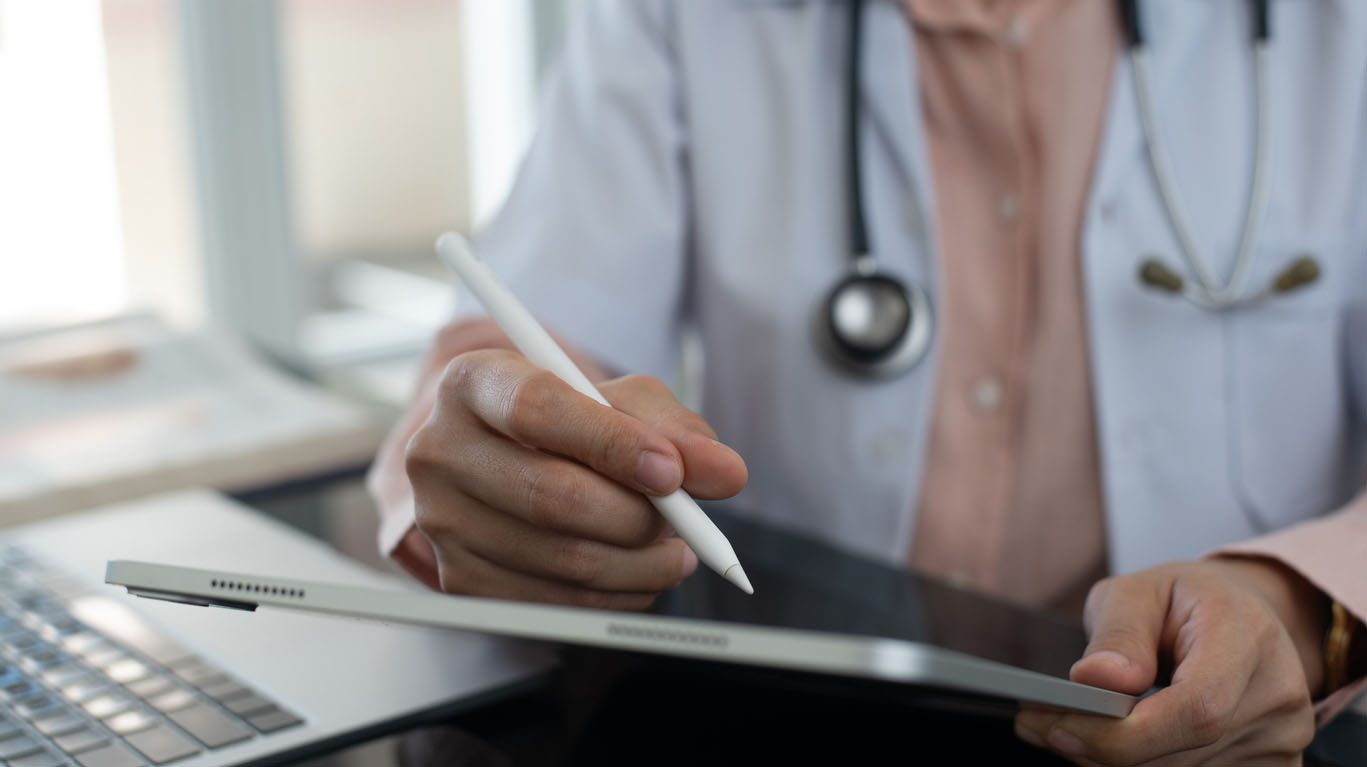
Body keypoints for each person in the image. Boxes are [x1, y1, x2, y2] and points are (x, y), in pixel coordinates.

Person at [368, 1, 1367, 763]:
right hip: (779, 719)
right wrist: (499, 457)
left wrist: (1298, 601)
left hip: (1206, 738)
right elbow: (523, 339)